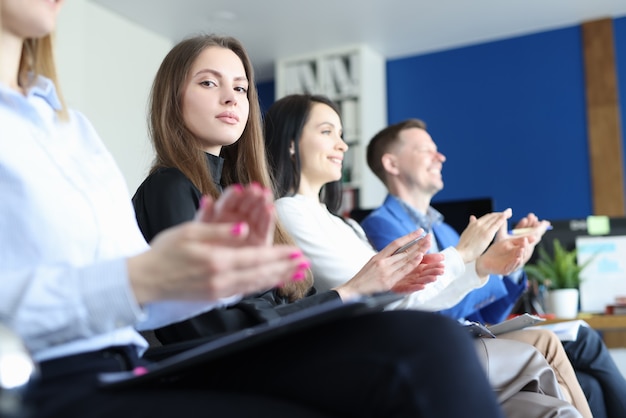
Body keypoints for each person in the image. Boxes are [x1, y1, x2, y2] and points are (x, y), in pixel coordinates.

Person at [0, 2, 512, 417]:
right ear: (171, 98)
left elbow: (170, 299)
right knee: (427, 347)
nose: (232, 98)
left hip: (132, 361)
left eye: (242, 88)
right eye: (208, 83)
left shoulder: (72, 130)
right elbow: (190, 316)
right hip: (95, 371)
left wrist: (198, 278)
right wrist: (353, 290)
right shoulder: (170, 188)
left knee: (441, 346)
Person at [262, 93, 590, 417]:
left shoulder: (348, 225)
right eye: (326, 132)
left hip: (414, 334)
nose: (343, 145)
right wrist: (463, 255)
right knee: (539, 354)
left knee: (554, 410)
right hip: (382, 348)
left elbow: (406, 296)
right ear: (291, 143)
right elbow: (381, 298)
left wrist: (482, 265)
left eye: (342, 134)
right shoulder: (290, 212)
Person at [362, 118, 626, 418]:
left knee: (588, 384)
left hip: (471, 336)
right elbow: (423, 308)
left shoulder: (446, 231)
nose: (440, 157)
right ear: (391, 163)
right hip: (442, 344)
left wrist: (510, 264)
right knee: (584, 340)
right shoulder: (381, 227)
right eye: (426, 149)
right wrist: (485, 266)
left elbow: (483, 316)